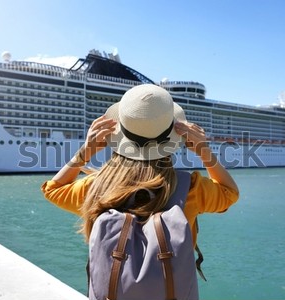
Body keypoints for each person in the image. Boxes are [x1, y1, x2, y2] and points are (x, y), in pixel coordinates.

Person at [41, 84, 239, 288]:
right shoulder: (190, 188)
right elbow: (229, 192)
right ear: (174, 136)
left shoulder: (96, 188)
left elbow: (53, 189)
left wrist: (85, 152)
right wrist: (205, 152)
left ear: (119, 134)